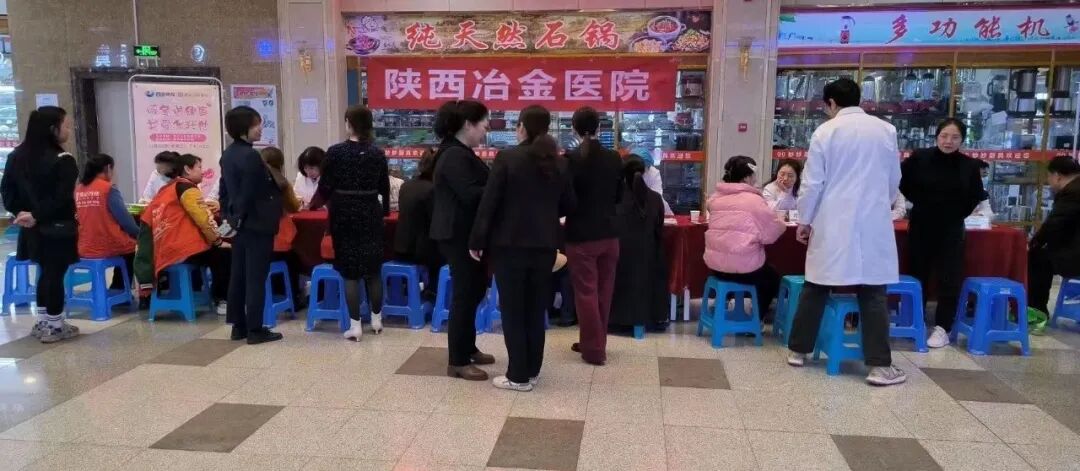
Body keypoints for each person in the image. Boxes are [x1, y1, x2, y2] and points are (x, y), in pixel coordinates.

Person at [786, 78, 906, 386]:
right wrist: (879, 202)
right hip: (873, 221)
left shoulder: (826, 131)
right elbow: (894, 179)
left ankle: (798, 350)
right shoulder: (886, 130)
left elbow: (813, 183)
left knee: (816, 285)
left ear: (830, 103)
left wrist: (805, 220)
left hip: (832, 220)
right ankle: (879, 366)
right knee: (873, 291)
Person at [469, 105, 575, 391]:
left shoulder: (508, 158)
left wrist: (477, 240)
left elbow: (489, 203)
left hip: (510, 246)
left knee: (514, 310)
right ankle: (532, 370)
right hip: (545, 246)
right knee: (535, 310)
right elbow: (569, 204)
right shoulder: (560, 163)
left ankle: (517, 375)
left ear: (522, 128)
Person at [899, 118, 986, 348]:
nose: (949, 141)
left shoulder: (969, 165)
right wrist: (920, 203)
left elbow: (975, 195)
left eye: (955, 137)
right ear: (936, 136)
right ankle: (915, 320)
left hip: (951, 228)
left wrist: (957, 213)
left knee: (949, 278)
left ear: (962, 140)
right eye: (944, 136)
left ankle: (942, 327)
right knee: (917, 273)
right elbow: (901, 183)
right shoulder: (919, 158)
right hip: (921, 224)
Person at [0, 106, 80, 343]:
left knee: (44, 272)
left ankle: (44, 320)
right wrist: (36, 214)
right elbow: (61, 197)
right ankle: (55, 325)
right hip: (57, 228)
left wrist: (21, 214)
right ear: (53, 129)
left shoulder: (16, 156)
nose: (68, 130)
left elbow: (7, 191)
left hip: (30, 229)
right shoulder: (63, 160)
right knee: (55, 274)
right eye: (66, 126)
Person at [430, 100, 496, 381]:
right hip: (457, 234)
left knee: (475, 289)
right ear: (468, 124)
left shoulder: (460, 152)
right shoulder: (454, 155)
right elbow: (470, 194)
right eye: (483, 125)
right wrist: (497, 187)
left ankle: (468, 346)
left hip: (465, 233)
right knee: (465, 293)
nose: (485, 130)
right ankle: (457, 360)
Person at [314, 105, 390, 341]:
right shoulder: (377, 153)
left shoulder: (335, 152)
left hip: (343, 213)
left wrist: (315, 204)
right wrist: (385, 211)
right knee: (373, 270)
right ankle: (376, 321)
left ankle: (355, 326)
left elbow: (325, 186)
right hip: (371, 211)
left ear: (348, 123)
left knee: (350, 273)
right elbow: (384, 187)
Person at [219, 106, 283, 345]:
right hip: (257, 222)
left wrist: (230, 217)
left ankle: (239, 325)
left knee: (239, 275)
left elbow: (224, 190)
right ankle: (255, 328)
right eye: (256, 124)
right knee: (256, 277)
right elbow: (249, 192)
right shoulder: (251, 156)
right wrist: (242, 214)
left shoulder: (228, 154)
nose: (260, 128)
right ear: (244, 128)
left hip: (239, 224)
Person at [564, 107, 623, 363]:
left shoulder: (571, 159)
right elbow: (619, 196)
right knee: (604, 292)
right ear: (599, 127)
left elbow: (566, 199)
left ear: (573, 129)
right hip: (609, 234)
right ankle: (597, 342)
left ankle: (594, 350)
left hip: (581, 236)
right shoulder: (614, 158)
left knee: (585, 293)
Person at [141, 153, 232, 312]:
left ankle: (204, 292)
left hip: (163, 249)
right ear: (187, 169)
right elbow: (204, 220)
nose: (202, 171)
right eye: (199, 167)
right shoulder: (188, 188)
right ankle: (222, 300)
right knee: (224, 253)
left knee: (218, 244)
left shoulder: (168, 188)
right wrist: (218, 241)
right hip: (180, 250)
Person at [704, 156, 786, 319]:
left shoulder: (714, 199)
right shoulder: (754, 201)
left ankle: (722, 305)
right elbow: (771, 233)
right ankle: (756, 319)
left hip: (716, 268)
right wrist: (781, 223)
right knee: (772, 279)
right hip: (745, 270)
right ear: (748, 177)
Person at [610, 155, 669, 333]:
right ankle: (658, 317)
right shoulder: (655, 199)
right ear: (645, 172)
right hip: (648, 262)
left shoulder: (613, 199)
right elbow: (659, 230)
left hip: (617, 261)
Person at [74, 153, 140, 299]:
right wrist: (140, 234)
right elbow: (125, 220)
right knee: (131, 250)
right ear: (108, 168)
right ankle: (120, 292)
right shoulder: (108, 189)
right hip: (107, 243)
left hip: (84, 246)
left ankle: (116, 289)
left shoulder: (79, 189)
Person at [1028, 155, 1080, 317]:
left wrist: (1034, 243)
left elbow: (1055, 224)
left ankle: (1036, 310)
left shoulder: (1072, 193)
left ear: (1057, 176)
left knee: (1037, 258)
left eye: (1049, 176)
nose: (1049, 181)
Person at [394, 148, 442, 301]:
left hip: (401, 247)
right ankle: (433, 293)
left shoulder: (406, 186)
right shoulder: (433, 189)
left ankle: (412, 290)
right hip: (421, 251)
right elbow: (437, 223)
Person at [260, 146, 305, 309]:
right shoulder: (282, 183)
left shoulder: (251, 182)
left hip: (258, 241)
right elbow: (293, 206)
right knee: (296, 258)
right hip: (280, 240)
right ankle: (293, 298)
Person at [630, 147, 674, 216]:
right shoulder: (625, 173)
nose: (641, 172)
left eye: (644, 168)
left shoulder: (653, 173)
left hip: (651, 207)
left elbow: (656, 195)